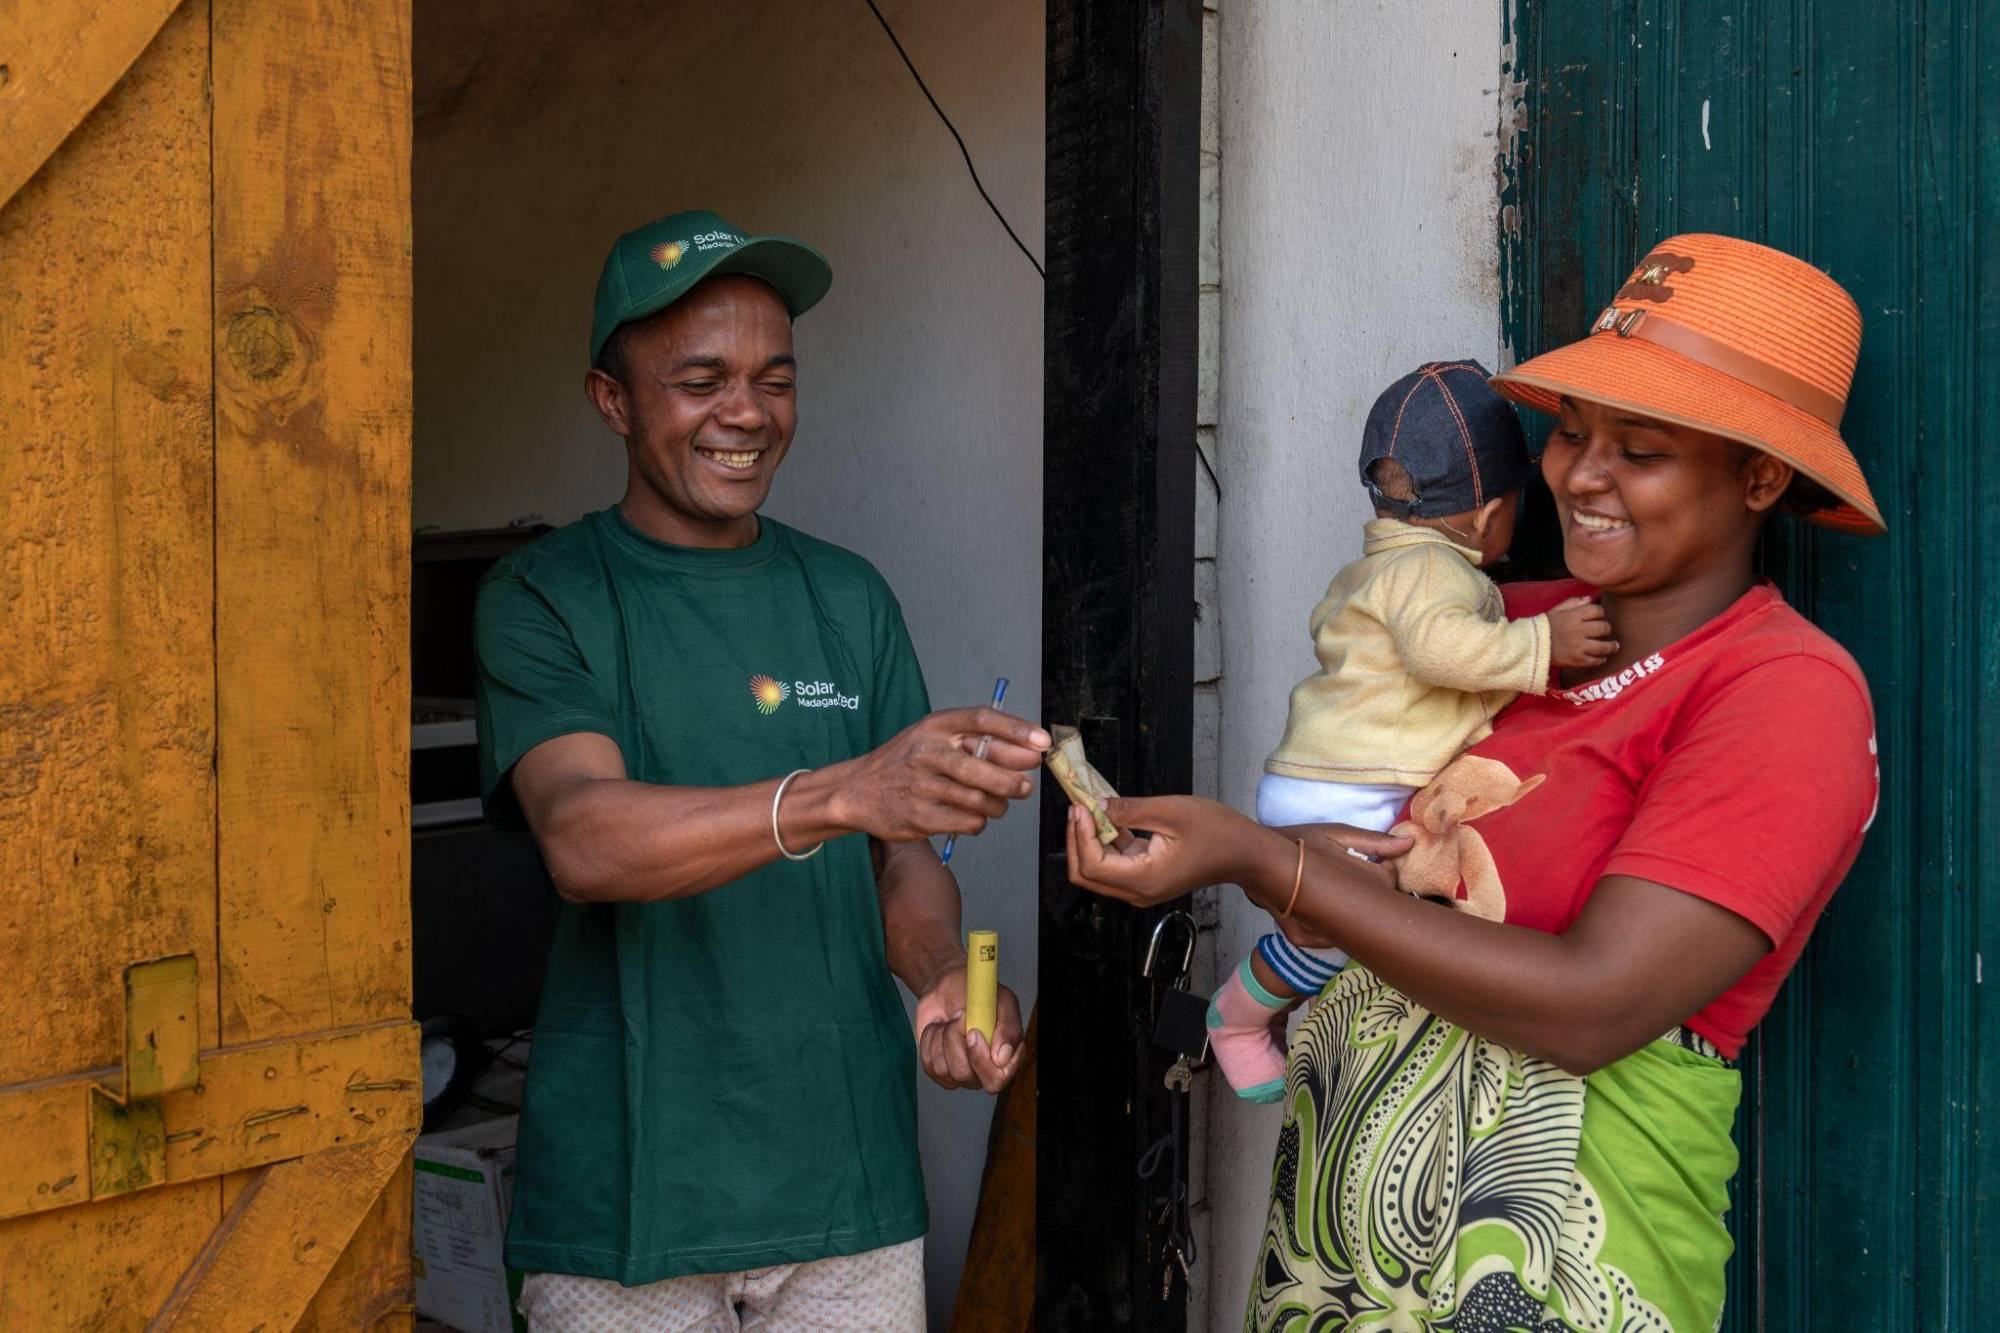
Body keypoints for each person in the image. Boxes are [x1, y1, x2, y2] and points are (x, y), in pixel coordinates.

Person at [1065, 233, 1881, 1331]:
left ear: (1757, 475)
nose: (1578, 475)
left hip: (1560, 1273)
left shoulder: (1779, 695)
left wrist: (1260, 858)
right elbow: (1354, 845)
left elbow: (1592, 1007)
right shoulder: (1494, 620)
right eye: (1573, 433)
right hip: (1336, 1265)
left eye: (1636, 450)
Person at [474, 209, 1044, 1332]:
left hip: (845, 1189)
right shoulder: (547, 595)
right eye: (699, 379)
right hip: (630, 1205)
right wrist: (835, 791)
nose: (745, 412)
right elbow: (583, 838)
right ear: (612, 400)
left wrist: (936, 974)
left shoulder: (846, 596)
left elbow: (903, 861)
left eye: (773, 378)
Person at [1206, 361, 1613, 1103]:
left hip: (1319, 781)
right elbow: (1438, 650)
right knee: (1338, 936)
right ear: (1493, 514)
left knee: (1354, 932)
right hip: (1353, 793)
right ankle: (1236, 1018)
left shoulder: (1379, 566)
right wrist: (1541, 645)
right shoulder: (1433, 572)